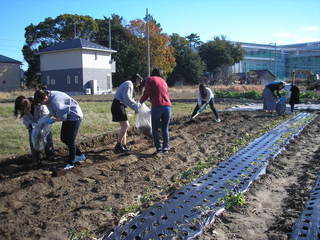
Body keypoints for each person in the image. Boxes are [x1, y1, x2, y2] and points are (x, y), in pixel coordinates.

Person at [34, 89, 85, 169]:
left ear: (45, 98)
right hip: (67, 116)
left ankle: (71, 162)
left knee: (70, 140)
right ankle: (80, 155)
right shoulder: (48, 98)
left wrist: (50, 121)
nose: (42, 104)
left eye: (42, 102)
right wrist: (44, 119)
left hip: (75, 116)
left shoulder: (56, 101)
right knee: (63, 138)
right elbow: (52, 111)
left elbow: (62, 118)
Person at [14, 95, 54, 165]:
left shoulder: (39, 104)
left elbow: (46, 116)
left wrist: (39, 126)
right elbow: (26, 120)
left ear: (27, 104)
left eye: (24, 109)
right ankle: (36, 160)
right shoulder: (23, 108)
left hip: (44, 124)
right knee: (33, 141)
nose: (23, 111)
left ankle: (50, 157)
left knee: (47, 139)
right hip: (32, 127)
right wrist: (31, 125)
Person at [140, 68, 172, 153]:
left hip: (157, 107)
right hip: (168, 107)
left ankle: (158, 148)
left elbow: (147, 93)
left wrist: (140, 102)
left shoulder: (149, 79)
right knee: (165, 128)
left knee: (155, 129)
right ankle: (165, 147)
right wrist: (152, 99)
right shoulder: (164, 81)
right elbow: (162, 94)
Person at [111, 73, 143, 153]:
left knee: (124, 126)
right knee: (125, 125)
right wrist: (136, 108)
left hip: (118, 105)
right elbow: (127, 98)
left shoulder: (129, 84)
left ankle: (123, 145)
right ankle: (118, 145)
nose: (140, 83)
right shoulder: (129, 84)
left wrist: (136, 107)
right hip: (118, 106)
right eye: (140, 81)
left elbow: (129, 99)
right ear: (136, 79)